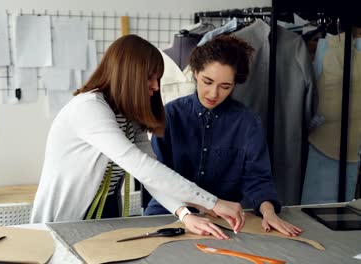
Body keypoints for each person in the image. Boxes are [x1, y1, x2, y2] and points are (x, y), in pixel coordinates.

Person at [31, 34, 245, 239]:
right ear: (127, 74)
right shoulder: (88, 108)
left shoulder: (126, 115)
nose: (155, 86)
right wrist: (212, 202)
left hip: (105, 214)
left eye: (157, 78)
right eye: (149, 78)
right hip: (66, 220)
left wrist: (184, 215)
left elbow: (150, 172)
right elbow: (142, 167)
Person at [145, 35, 303, 236]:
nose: (213, 93)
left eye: (225, 87)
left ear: (235, 84)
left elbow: (257, 178)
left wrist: (268, 212)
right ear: (195, 73)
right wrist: (185, 213)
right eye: (207, 82)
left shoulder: (247, 123)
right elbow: (157, 176)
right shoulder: (170, 115)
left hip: (222, 220)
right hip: (169, 211)